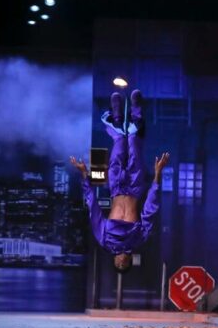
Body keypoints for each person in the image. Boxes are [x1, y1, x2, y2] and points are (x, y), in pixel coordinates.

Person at [70, 90, 170, 273]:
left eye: (119, 265)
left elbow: (93, 208)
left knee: (118, 144)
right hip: (135, 187)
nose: (122, 262)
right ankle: (136, 111)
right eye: (126, 264)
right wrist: (157, 174)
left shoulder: (104, 240)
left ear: (115, 260)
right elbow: (150, 210)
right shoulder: (139, 239)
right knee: (133, 142)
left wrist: (85, 174)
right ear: (131, 259)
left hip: (116, 187)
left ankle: (116, 116)